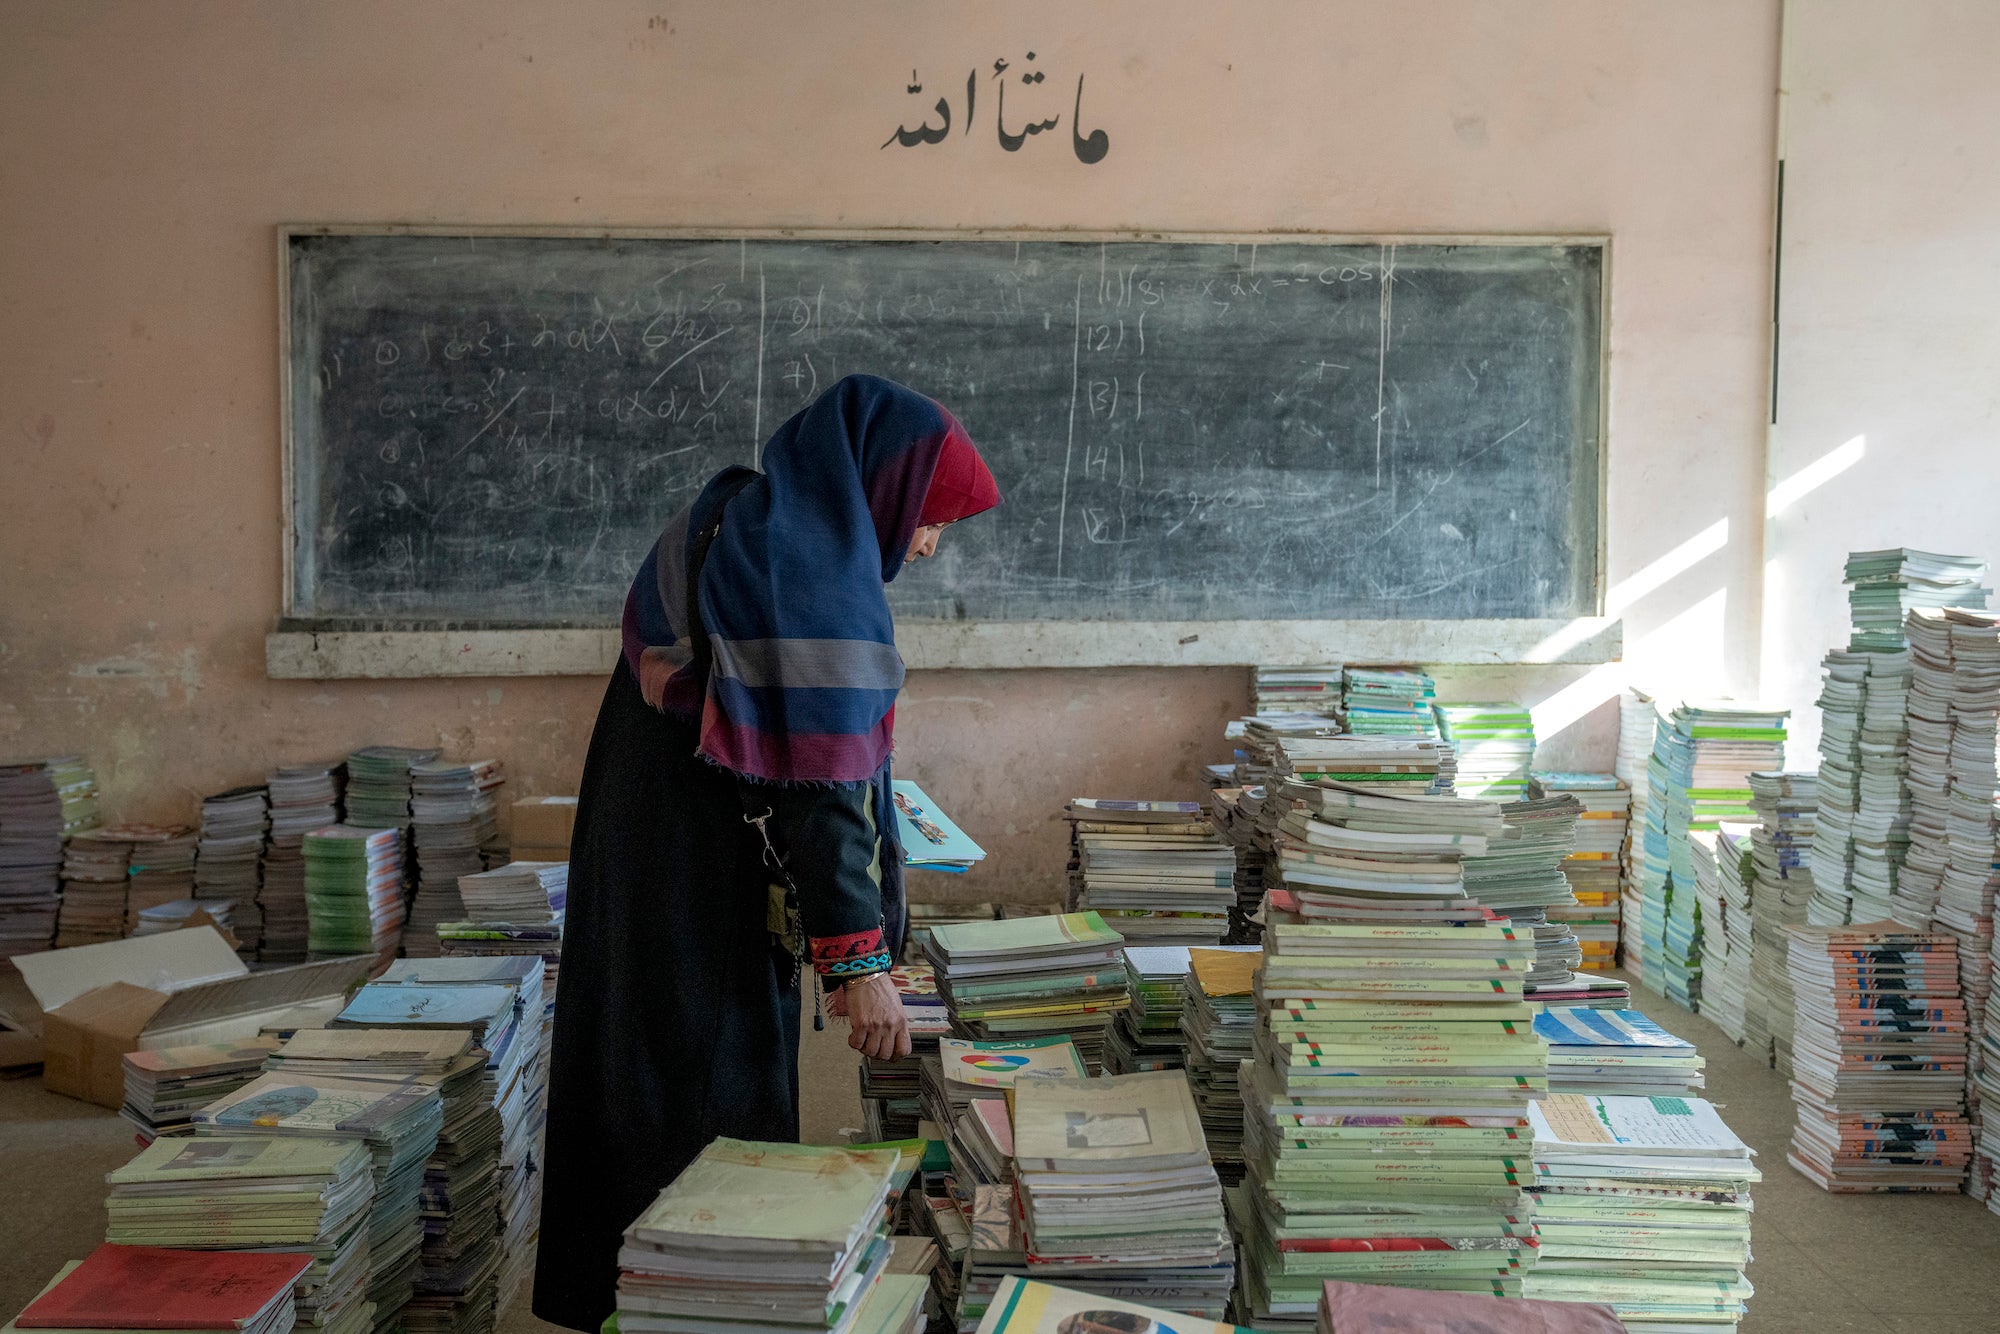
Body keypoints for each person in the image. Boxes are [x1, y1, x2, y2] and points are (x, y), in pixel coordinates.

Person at [532, 374, 1001, 1332]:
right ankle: (702, 1301)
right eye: (927, 516)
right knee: (703, 1087)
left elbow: (794, 745)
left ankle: (635, 1296)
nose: (927, 542)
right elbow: (817, 791)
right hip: (692, 863)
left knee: (643, 1064)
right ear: (881, 488)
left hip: (652, 830)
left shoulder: (755, 518)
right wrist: (860, 965)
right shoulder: (807, 567)